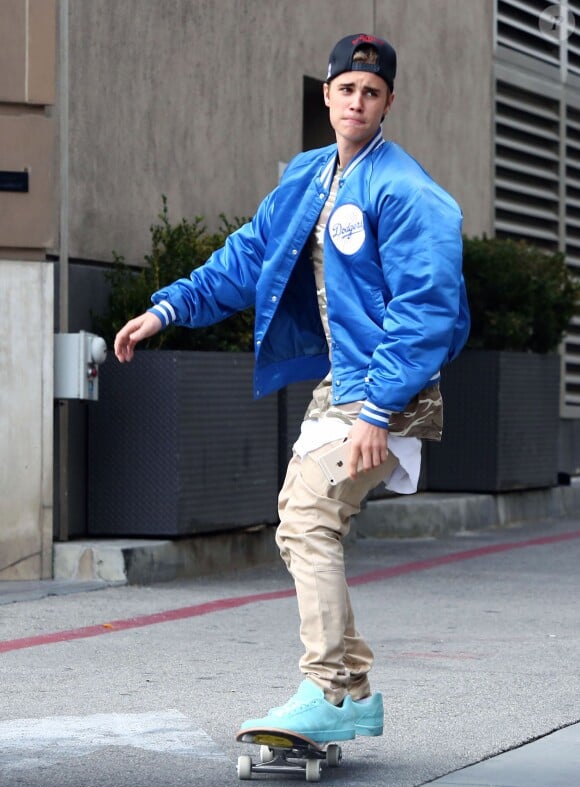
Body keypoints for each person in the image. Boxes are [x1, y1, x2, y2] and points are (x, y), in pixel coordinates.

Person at [114, 33, 470, 743]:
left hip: (385, 388)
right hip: (345, 381)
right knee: (301, 514)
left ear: (388, 102)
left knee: (310, 514)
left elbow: (428, 307)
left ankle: (330, 690)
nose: (358, 102)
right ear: (328, 94)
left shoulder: (404, 190)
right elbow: (247, 256)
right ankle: (354, 688)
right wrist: (168, 308)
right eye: (347, 89)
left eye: (372, 92)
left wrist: (378, 410)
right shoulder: (310, 178)